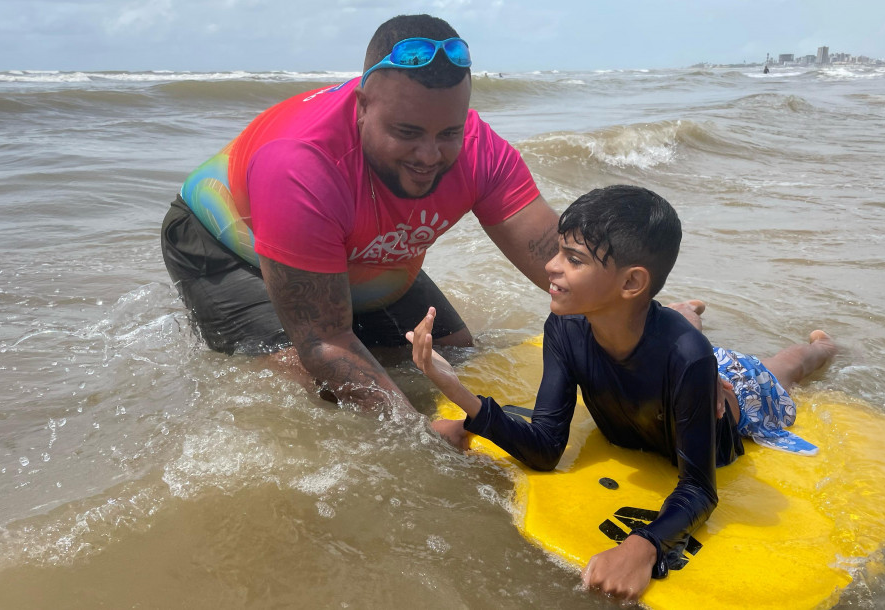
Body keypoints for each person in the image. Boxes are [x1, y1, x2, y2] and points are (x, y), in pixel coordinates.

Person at [406, 185, 837, 601]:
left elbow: (700, 489)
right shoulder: (564, 326)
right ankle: (687, 311)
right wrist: (458, 394)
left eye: (572, 259)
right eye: (558, 251)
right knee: (678, 331)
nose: (552, 266)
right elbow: (546, 446)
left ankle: (822, 346)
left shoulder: (688, 358)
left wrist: (643, 545)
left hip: (732, 392)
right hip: (667, 343)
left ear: (632, 282)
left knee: (782, 368)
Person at [160, 14, 559, 411]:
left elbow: (563, 267)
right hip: (221, 240)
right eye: (408, 132)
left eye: (448, 133)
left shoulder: (479, 149)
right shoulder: (301, 164)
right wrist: (421, 443)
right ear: (362, 107)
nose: (429, 155)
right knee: (317, 385)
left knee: (453, 354)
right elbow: (325, 342)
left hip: (345, 242)